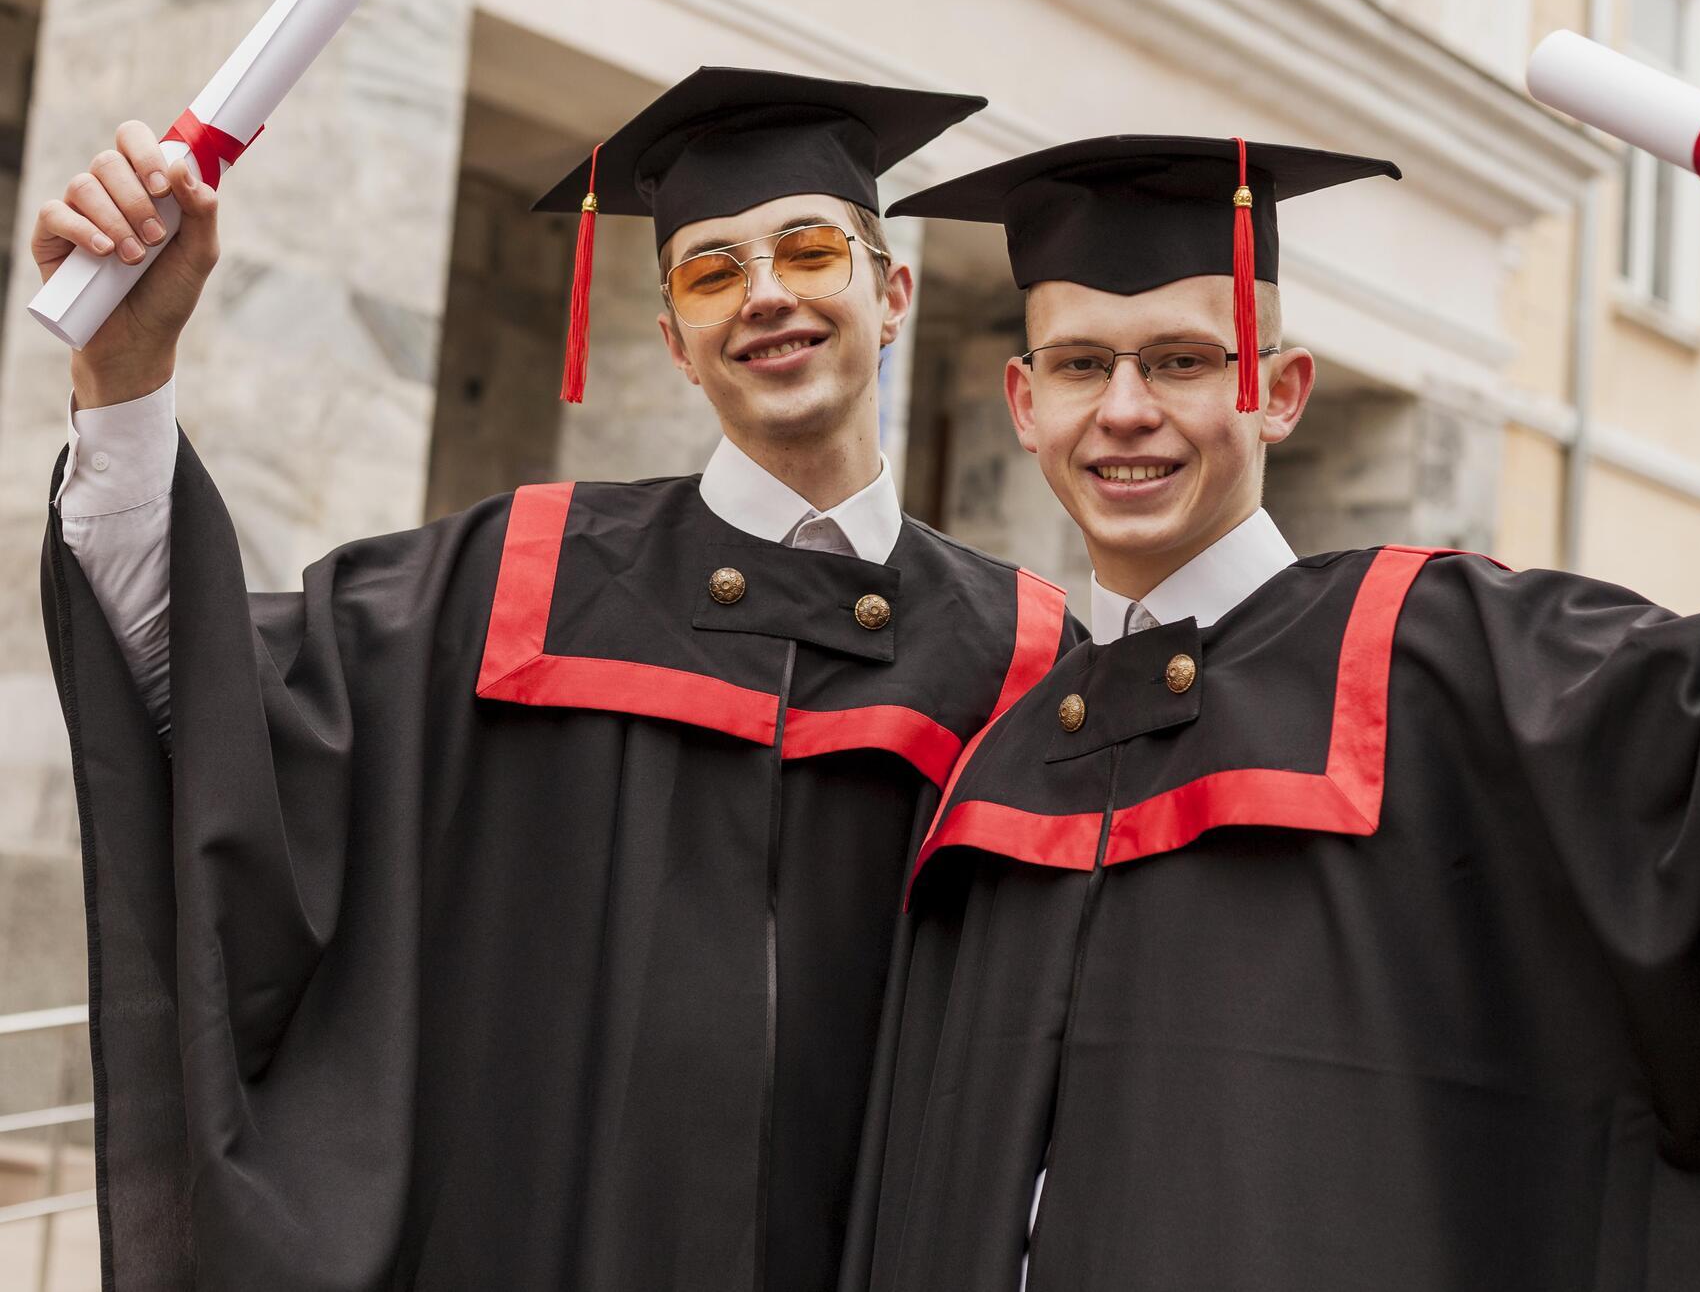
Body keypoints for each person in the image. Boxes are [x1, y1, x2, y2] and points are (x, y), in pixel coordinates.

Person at [846, 102, 1700, 1291]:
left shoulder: (1438, 656)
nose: (1125, 409)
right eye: (1082, 364)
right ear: (1024, 403)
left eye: (1184, 361)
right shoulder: (1002, 761)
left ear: (1280, 390)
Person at [35, 67, 1082, 1291]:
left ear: (890, 293)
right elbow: (196, 688)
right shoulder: (515, 583)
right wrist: (128, 369)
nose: (765, 298)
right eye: (709, 270)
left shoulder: (1021, 654)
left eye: (807, 251)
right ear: (674, 344)